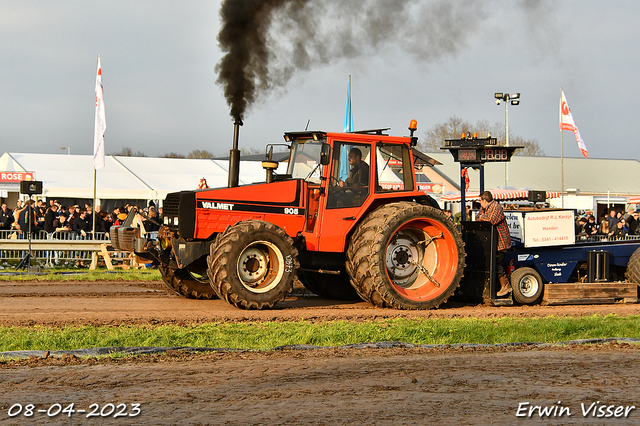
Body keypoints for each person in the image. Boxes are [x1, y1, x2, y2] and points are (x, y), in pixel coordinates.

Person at [475, 191, 512, 297]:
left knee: (495, 263)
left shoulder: (496, 207)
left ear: (484, 200)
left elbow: (490, 220)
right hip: (492, 243)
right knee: (491, 263)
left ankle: (506, 285)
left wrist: (482, 218)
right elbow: (478, 218)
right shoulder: (485, 208)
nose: (479, 203)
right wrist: (482, 217)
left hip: (501, 242)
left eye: (480, 201)